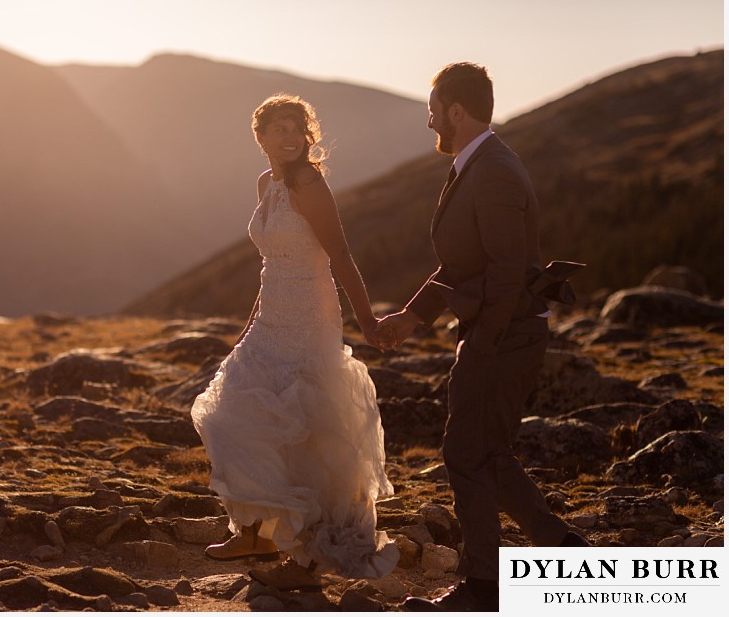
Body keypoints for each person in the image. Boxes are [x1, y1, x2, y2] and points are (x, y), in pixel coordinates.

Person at [377, 63, 589, 612]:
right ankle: (564, 549)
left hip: (504, 336)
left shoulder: (493, 169)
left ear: (455, 110)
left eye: (432, 110)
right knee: (488, 453)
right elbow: (461, 262)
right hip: (502, 332)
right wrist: (412, 316)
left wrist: (482, 346)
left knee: (464, 452)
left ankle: (483, 586)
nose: (429, 123)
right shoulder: (477, 164)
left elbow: (503, 269)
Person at [191, 93, 399, 592]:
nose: (289, 137)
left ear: (308, 136)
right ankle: (256, 533)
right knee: (235, 412)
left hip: (310, 315)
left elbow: (342, 256)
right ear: (259, 137)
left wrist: (367, 321)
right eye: (278, 129)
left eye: (296, 128)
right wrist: (251, 324)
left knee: (307, 426)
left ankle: (308, 552)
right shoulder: (267, 183)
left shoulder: (309, 183)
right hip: (272, 314)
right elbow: (270, 266)